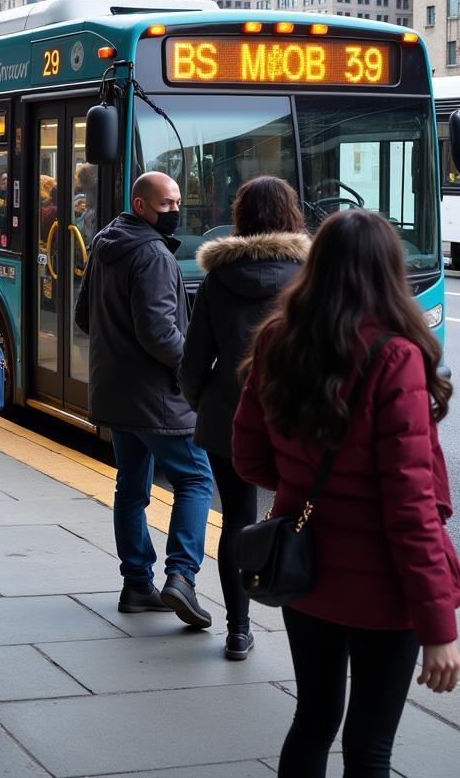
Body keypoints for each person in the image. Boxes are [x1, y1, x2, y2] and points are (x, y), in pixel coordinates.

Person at [233, 210, 460, 777]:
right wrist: (439, 630)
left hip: (307, 574)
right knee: (369, 745)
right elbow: (411, 508)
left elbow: (248, 457)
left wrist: (305, 487)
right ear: (389, 271)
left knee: (312, 719)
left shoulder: (277, 339)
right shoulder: (395, 357)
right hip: (384, 586)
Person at [178, 176, 309, 660]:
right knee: (302, 518)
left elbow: (193, 361)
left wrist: (203, 403)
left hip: (228, 414)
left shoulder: (217, 279)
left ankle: (237, 630)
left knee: (236, 518)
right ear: (291, 216)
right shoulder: (309, 276)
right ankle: (306, 627)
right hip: (296, 415)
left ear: (242, 216)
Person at [74, 171, 213, 626]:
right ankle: (181, 577)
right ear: (140, 204)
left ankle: (136, 583)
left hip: (115, 392)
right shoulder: (152, 254)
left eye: (177, 203)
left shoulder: (104, 244)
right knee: (195, 479)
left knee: (131, 487)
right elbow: (160, 332)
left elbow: (82, 317)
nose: (175, 212)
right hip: (156, 397)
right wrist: (193, 369)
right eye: (166, 205)